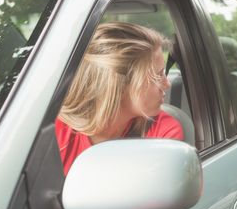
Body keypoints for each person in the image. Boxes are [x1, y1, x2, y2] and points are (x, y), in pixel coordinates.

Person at [55, 22, 184, 175]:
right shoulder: (55, 132)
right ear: (119, 86)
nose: (167, 83)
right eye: (157, 75)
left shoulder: (163, 132)